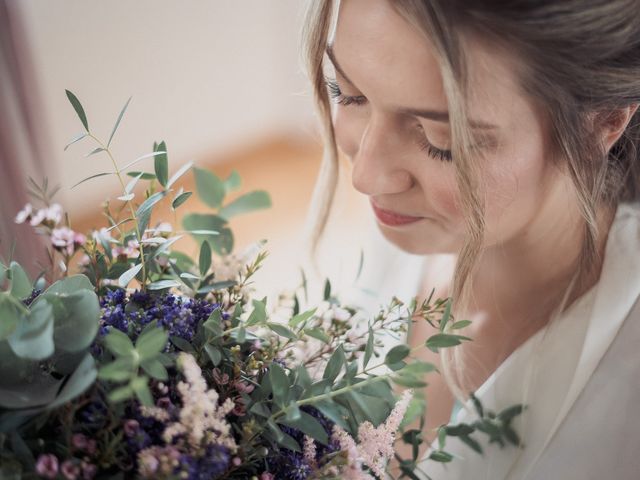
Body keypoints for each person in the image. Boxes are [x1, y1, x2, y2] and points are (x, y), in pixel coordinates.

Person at [300, 0, 640, 478]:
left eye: (444, 141)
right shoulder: (400, 231)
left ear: (602, 123)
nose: (368, 176)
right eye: (350, 94)